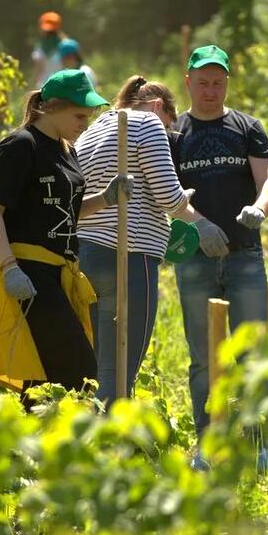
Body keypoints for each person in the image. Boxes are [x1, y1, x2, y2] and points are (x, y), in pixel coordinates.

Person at [0, 69, 129, 396]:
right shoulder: (21, 145)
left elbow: (66, 213)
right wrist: (10, 268)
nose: (84, 123)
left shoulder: (67, 150)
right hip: (29, 274)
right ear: (53, 107)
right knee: (81, 369)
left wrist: (106, 199)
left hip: (62, 273)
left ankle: (35, 445)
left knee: (44, 377)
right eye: (79, 115)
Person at [171, 45, 268, 468]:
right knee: (203, 356)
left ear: (227, 83)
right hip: (194, 257)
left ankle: (260, 446)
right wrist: (198, 223)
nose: (210, 91)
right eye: (203, 82)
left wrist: (261, 207)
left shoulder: (246, 127)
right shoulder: (175, 133)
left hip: (244, 255)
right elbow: (167, 193)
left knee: (252, 353)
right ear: (189, 82)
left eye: (218, 83)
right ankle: (209, 444)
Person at [75, 75, 204, 407]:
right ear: (159, 107)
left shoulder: (91, 130)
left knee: (94, 364)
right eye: (169, 126)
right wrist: (195, 217)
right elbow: (166, 193)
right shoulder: (148, 123)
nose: (167, 133)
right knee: (120, 369)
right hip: (129, 255)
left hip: (86, 253)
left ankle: (85, 443)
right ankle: (112, 448)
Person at [31, 11, 65, 87]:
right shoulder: (65, 44)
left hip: (44, 86)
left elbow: (37, 68)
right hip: (61, 84)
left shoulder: (40, 47)